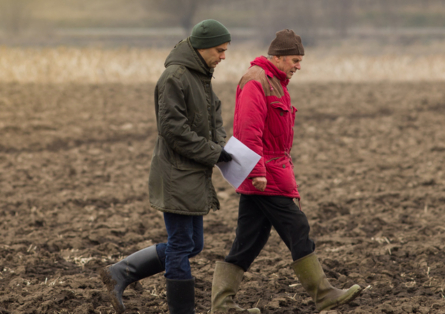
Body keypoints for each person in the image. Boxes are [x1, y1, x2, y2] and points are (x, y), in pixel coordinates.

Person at [210, 29, 365, 313]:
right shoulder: (256, 81)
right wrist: (257, 172)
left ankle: (222, 306)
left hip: (270, 173)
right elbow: (247, 131)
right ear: (278, 58)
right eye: (295, 60)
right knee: (297, 227)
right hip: (263, 176)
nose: (298, 66)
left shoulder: (276, 83)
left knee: (249, 241)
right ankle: (324, 294)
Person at [101, 19, 235, 314]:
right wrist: (214, 152)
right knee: (180, 246)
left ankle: (120, 272)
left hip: (193, 173)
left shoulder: (201, 75)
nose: (224, 56)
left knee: (193, 245)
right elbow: (173, 130)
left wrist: (221, 147)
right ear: (201, 48)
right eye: (220, 50)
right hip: (176, 174)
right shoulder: (174, 77)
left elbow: (215, 121)